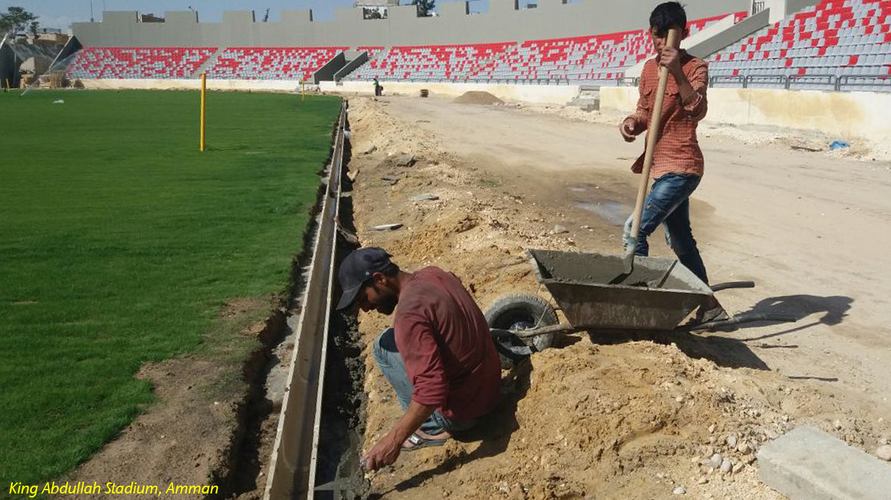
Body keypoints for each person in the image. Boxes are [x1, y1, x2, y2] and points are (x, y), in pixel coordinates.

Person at [335, 247, 501, 471]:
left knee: (381, 349)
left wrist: (393, 440)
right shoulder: (433, 274)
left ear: (380, 279)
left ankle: (431, 427)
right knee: (388, 339)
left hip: (466, 414)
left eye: (364, 298)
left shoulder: (409, 314)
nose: (365, 309)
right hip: (490, 387)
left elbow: (431, 389)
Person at [619, 1, 710, 285]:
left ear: (684, 33)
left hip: (683, 167)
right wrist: (632, 123)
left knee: (634, 229)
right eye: (658, 36)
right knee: (680, 240)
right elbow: (645, 111)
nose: (662, 43)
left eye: (669, 36)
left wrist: (677, 74)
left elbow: (698, 110)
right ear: (650, 33)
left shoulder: (696, 67)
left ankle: (640, 296)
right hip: (659, 169)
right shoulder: (648, 69)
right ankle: (709, 306)